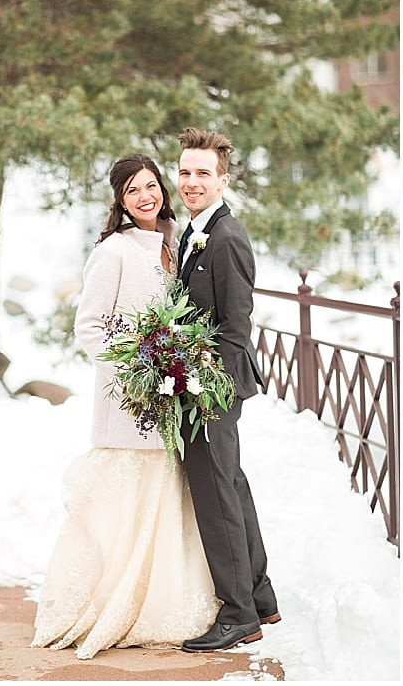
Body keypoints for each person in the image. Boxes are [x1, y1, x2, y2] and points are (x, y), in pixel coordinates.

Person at [32, 155, 221, 660]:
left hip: (167, 397)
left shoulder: (172, 243)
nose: (146, 196)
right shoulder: (113, 251)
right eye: (133, 189)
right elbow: (89, 327)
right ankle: (110, 603)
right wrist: (134, 372)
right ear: (120, 199)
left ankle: (156, 604)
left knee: (162, 501)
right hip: (128, 402)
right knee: (124, 509)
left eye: (152, 186)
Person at [172, 127, 279, 653]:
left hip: (212, 389)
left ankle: (237, 614)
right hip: (201, 384)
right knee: (230, 486)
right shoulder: (195, 233)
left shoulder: (228, 237)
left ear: (223, 179)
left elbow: (236, 328)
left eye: (203, 173)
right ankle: (258, 597)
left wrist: (204, 385)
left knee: (217, 497)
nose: (192, 182)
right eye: (186, 172)